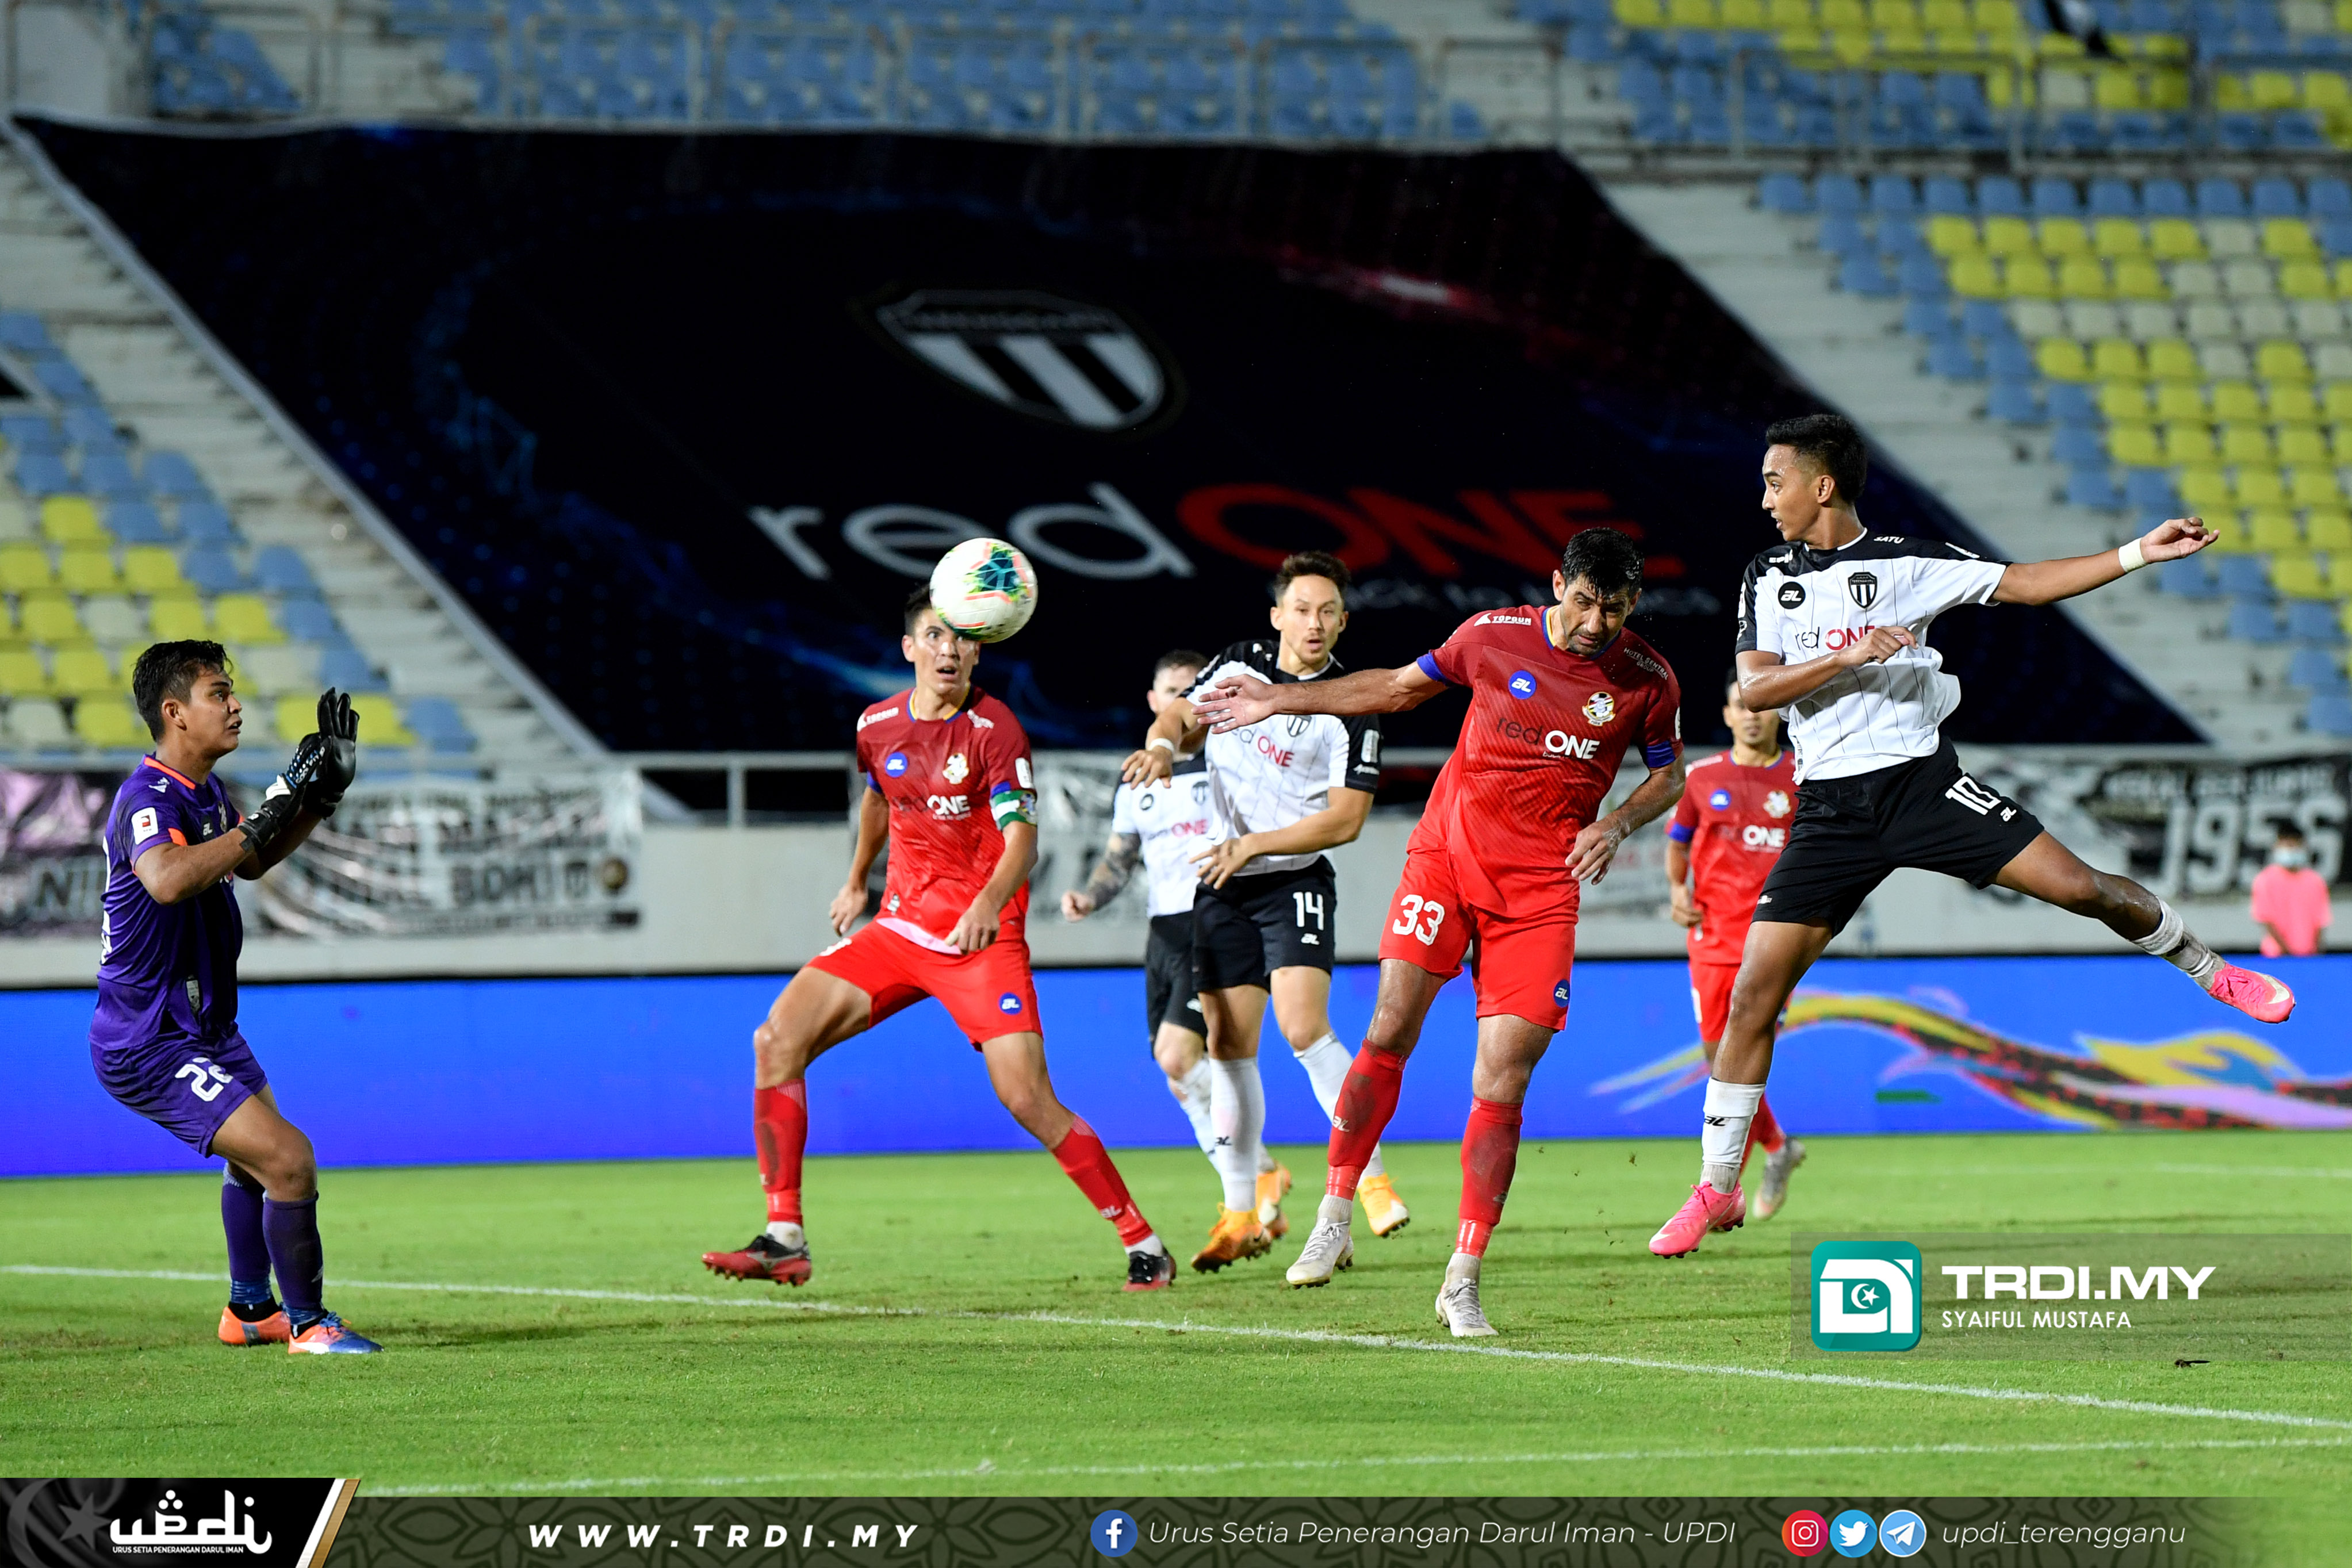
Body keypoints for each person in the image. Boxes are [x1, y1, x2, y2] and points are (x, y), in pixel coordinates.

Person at [1647, 412, 2297, 1262]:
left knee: (2082, 888)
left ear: (1822, 484)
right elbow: (1758, 690)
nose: (1764, 498)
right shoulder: (1766, 576)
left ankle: (2213, 972)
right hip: (1831, 812)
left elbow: (2025, 584)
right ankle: (1717, 1185)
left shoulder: (1908, 562)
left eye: (1775, 481)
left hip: (1922, 786)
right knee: (1750, 997)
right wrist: (1846, 656)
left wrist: (2138, 552)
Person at [1190, 528, 1685, 1336]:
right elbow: (1393, 689)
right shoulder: (1491, 637)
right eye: (1584, 601)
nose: (1596, 622)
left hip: (1539, 892)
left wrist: (1618, 822)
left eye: (1615, 608)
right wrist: (1278, 699)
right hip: (1446, 863)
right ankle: (1334, 1215)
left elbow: (1668, 772)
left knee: (1503, 1078)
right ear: (1556, 584)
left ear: (1632, 604)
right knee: (1389, 1027)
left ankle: (1462, 1277)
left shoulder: (1647, 679)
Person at [703, 588, 1173, 1293]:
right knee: (776, 1040)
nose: (948, 650)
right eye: (934, 636)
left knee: (1026, 1098)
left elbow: (1024, 841)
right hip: (898, 929)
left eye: (962, 639)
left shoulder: (995, 729)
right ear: (909, 648)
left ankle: (1143, 1242)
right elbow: (877, 798)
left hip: (981, 939)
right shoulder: (877, 724)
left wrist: (987, 903)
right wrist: (856, 881)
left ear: (978, 649)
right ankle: (784, 1238)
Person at [1121, 550, 1408, 1274]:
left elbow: (1345, 821)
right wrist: (1164, 746)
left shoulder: (1351, 703)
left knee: (1305, 1028)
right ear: (1277, 615)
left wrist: (1252, 845)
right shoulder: (1240, 663)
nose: (1314, 622)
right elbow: (1181, 713)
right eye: (1301, 609)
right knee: (1227, 1048)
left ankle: (1370, 1180)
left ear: (1342, 622)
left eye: (1327, 612)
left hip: (1292, 880)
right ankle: (1242, 1212)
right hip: (1224, 884)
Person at [91, 644, 370, 1352]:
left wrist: (318, 800)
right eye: (219, 693)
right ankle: (309, 1325)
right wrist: (264, 815)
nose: (236, 705)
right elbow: (167, 879)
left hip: (206, 1027)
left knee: (260, 1162)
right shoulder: (148, 798)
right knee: (289, 1160)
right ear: (175, 712)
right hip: (150, 1039)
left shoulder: (204, 792)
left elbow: (251, 860)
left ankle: (250, 1309)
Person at [1062, 650, 1293, 1236]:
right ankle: (1258, 1186)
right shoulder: (1139, 779)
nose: (1182, 702)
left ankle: (1253, 1182)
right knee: (1180, 1077)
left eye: (1194, 691)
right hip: (1162, 933)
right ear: (1153, 701)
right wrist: (1089, 897)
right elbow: (1120, 859)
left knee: (1177, 1055)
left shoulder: (1231, 763)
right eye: (1172, 692)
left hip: (1215, 919)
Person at [1665, 670, 1803, 1220]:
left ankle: (1721, 1194)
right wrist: (1677, 889)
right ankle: (1778, 1146)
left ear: (1778, 713)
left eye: (1761, 706)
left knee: (1739, 1059)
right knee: (1717, 1062)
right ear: (1726, 715)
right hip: (1712, 938)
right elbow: (1678, 842)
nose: (1752, 716)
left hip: (1774, 942)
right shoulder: (1700, 778)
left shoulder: (1803, 776)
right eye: (1741, 706)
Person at [2250, 823, 2330, 958]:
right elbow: (2266, 920)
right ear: (2277, 846)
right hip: (2276, 957)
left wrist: (2316, 953)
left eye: (2295, 845)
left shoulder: (2315, 881)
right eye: (2287, 845)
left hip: (2309, 956)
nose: (2292, 849)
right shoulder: (2265, 880)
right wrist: (2287, 953)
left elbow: (2320, 922)